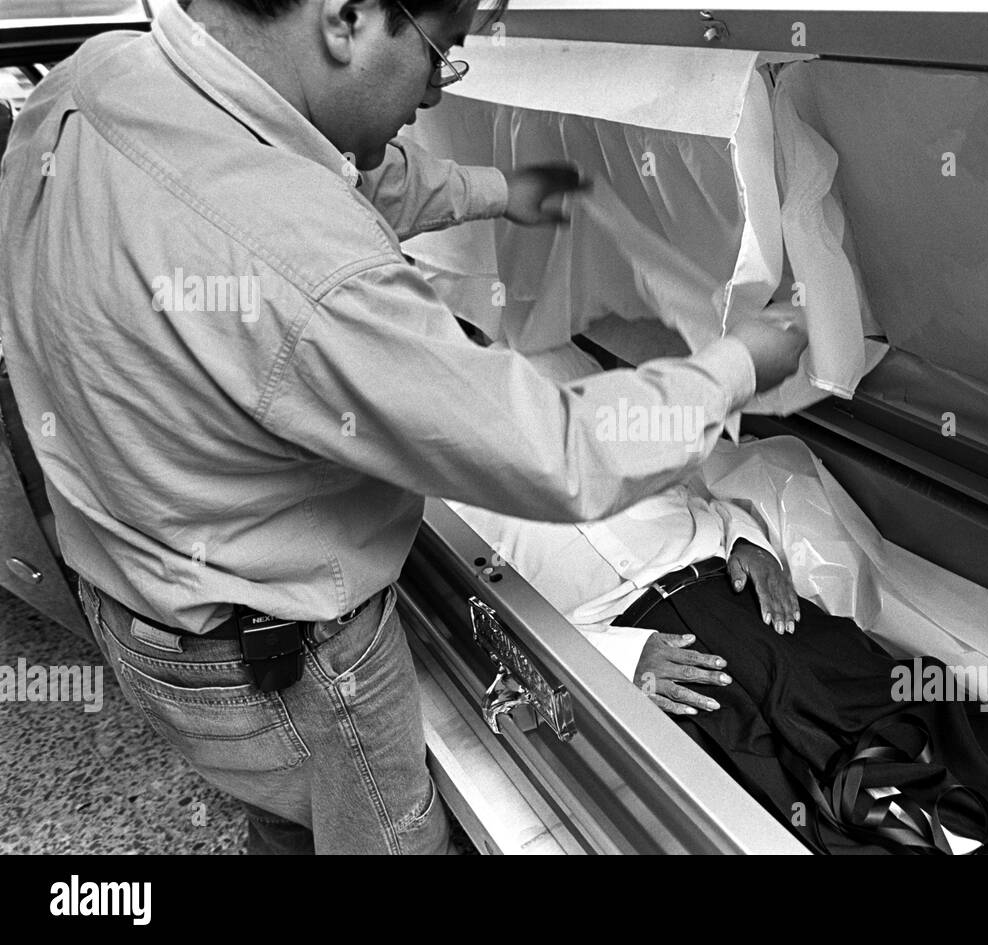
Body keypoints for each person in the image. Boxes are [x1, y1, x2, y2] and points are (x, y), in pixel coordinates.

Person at [0, 0, 806, 854]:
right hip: (278, 666)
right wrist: (741, 362)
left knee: (289, 816)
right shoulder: (308, 271)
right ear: (345, 19)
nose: (436, 90)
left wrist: (501, 191)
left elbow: (324, 173)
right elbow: (559, 452)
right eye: (441, 51)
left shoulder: (98, 78)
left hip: (133, 607)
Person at [450, 342, 988, 855]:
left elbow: (701, 492)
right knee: (803, 806)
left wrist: (745, 543)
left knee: (920, 723)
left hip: (732, 591)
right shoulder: (453, 480)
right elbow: (478, 603)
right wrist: (620, 662)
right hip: (647, 650)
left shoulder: (591, 399)